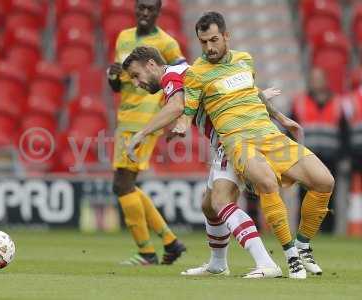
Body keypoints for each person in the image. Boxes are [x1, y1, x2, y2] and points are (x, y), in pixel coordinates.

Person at [126, 12, 335, 279]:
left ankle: (267, 262)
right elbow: (232, 92)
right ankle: (218, 263)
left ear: (152, 64)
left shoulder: (173, 77)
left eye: (136, 75)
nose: (137, 83)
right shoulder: (192, 71)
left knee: (222, 200)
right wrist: (276, 113)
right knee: (209, 206)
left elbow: (179, 105)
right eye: (204, 42)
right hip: (231, 140)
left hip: (232, 140)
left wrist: (140, 134)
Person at [107, 0, 186, 266]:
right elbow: (118, 87)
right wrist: (113, 75)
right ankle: (170, 242)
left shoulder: (167, 43)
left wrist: (180, 116)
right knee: (126, 184)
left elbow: (182, 78)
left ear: (158, 12)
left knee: (122, 184)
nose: (144, 12)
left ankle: (148, 252)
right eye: (141, 7)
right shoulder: (124, 37)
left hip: (146, 120)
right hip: (125, 117)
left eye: (150, 9)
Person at [291, 67, 347, 232]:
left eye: (319, 78)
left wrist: (344, 156)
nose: (316, 82)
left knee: (329, 197)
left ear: (325, 81)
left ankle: (328, 231)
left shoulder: (338, 103)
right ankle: (304, 232)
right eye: (313, 78)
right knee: (304, 196)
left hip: (330, 158)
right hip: (306, 158)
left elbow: (345, 132)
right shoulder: (299, 102)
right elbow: (290, 130)